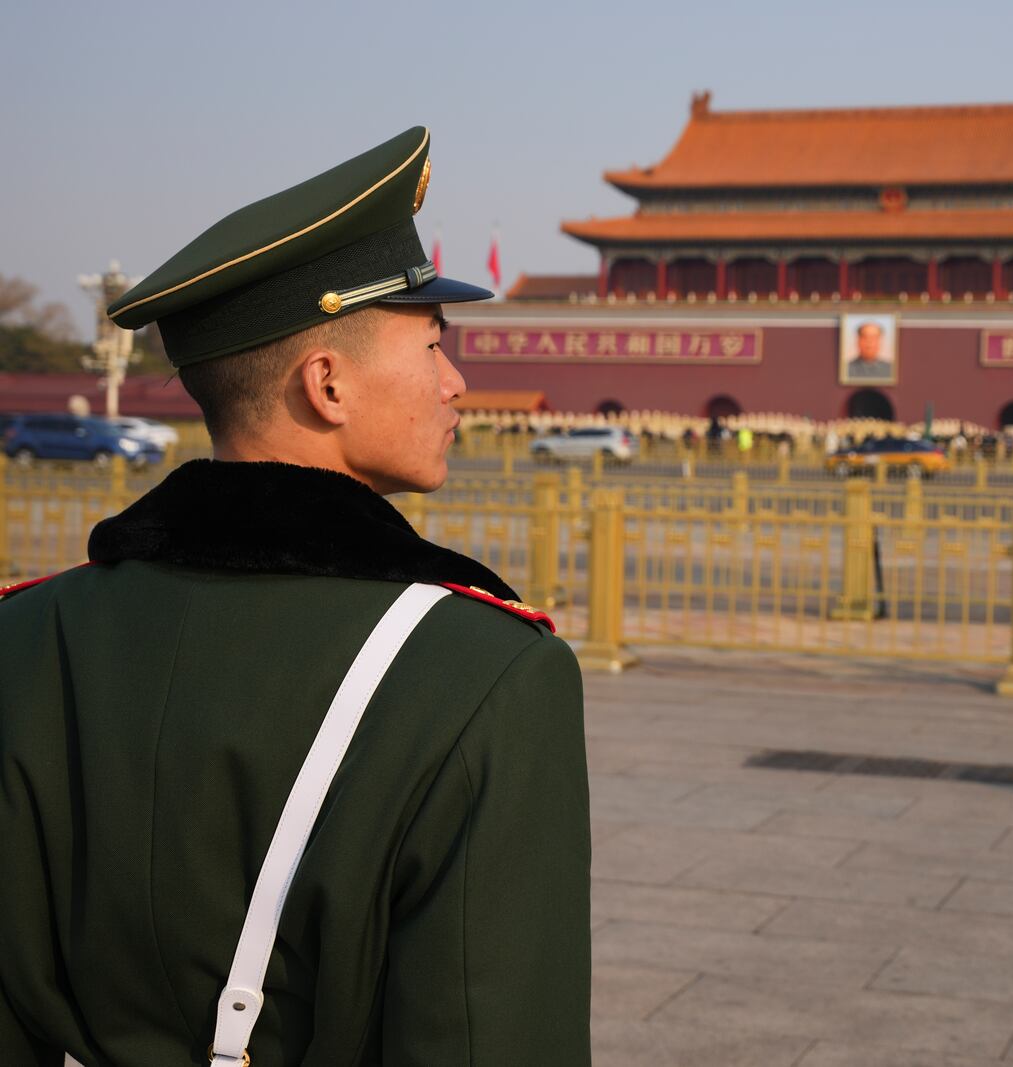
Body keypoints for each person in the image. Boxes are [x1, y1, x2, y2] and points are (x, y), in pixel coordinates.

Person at [0, 128, 590, 1066]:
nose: (457, 383)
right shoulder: (487, 674)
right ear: (327, 384)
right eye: (434, 345)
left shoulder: (28, 637)